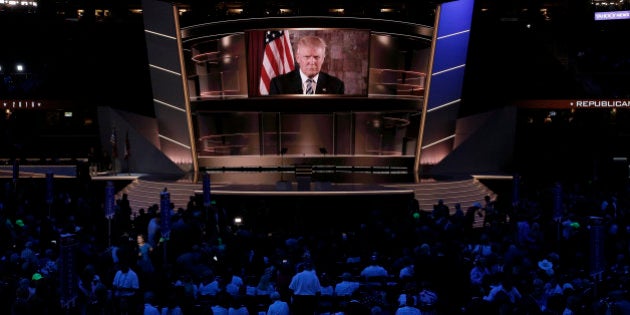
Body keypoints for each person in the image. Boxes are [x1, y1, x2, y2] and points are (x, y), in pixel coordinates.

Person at [269, 35, 344, 95]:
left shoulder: (336, 86)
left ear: (323, 59)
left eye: (316, 57)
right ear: (298, 58)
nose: (312, 61)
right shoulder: (279, 85)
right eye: (307, 57)